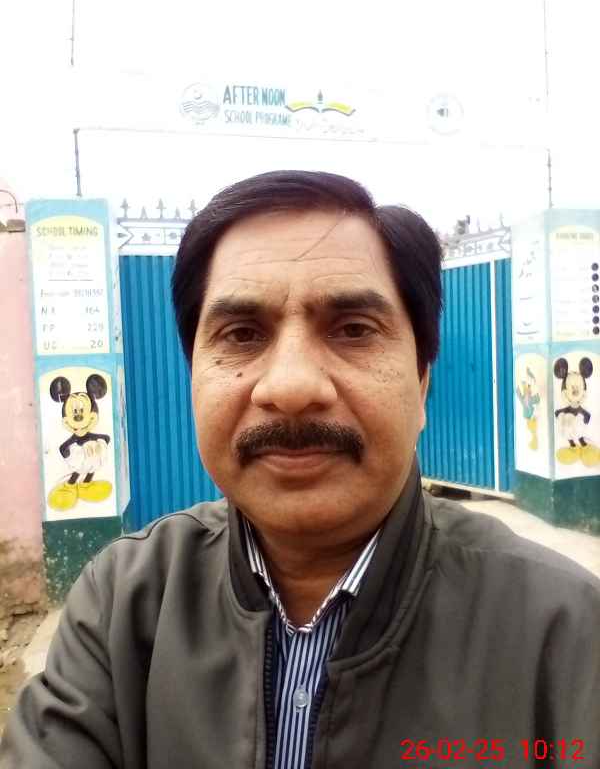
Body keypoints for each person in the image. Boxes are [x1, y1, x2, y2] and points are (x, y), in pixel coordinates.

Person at [2, 170, 599, 769]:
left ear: (421, 383)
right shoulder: (123, 603)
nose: (290, 387)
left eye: (353, 330)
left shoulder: (566, 632)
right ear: (193, 379)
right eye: (242, 334)